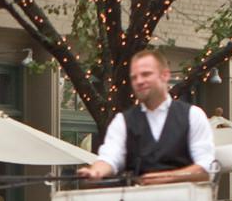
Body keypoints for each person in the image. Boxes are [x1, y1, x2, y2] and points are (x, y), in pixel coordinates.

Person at [78, 48, 218, 185]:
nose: (139, 81)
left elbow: (206, 169)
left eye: (145, 74)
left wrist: (167, 177)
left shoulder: (193, 115)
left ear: (165, 75)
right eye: (134, 77)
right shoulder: (122, 121)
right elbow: (110, 157)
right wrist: (96, 171)